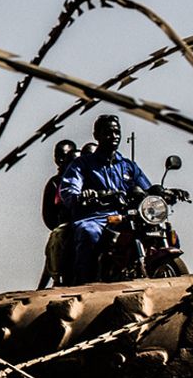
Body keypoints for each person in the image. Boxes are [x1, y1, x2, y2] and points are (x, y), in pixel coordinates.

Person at [56, 115, 151, 286]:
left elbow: (146, 187)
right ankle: (84, 283)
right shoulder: (82, 164)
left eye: (117, 132)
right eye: (108, 132)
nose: (114, 136)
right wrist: (85, 195)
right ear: (96, 135)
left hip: (125, 216)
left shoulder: (128, 165)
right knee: (89, 233)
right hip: (96, 217)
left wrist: (162, 191)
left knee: (158, 228)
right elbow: (69, 190)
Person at [36, 139, 80, 289]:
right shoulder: (55, 183)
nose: (61, 160)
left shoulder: (88, 179)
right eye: (59, 156)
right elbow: (49, 217)